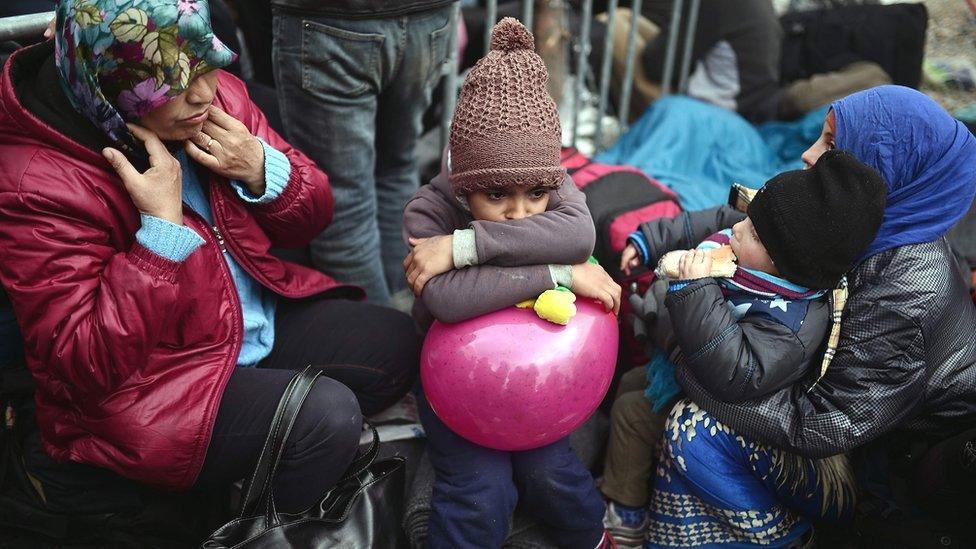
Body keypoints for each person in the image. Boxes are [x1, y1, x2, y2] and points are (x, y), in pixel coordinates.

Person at [0, 0, 418, 514]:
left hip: (241, 329)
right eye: (174, 82)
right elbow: (84, 364)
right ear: (109, 83)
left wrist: (263, 170)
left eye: (205, 63)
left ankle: (245, 470)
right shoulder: (36, 183)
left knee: (397, 343)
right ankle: (239, 523)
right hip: (155, 386)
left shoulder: (215, 98)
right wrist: (158, 236)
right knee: (326, 419)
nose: (203, 93)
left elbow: (315, 215)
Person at [630, 85, 976, 547]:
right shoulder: (869, 226)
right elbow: (752, 223)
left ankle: (788, 537)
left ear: (887, 168)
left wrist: (692, 362)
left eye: (831, 144)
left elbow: (821, 425)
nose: (810, 155)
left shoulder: (905, 293)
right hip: (835, 422)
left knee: (695, 427)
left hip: (878, 472)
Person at [402, 19, 621, 549]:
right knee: (480, 487)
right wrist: (561, 272)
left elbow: (578, 232)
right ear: (464, 183)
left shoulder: (542, 175)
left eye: (535, 195)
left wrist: (467, 248)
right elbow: (447, 298)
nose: (521, 214)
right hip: (454, 389)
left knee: (552, 473)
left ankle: (594, 539)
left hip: (540, 377)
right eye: (496, 195)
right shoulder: (428, 211)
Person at [600, 151, 887, 547]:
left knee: (632, 413)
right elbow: (716, 220)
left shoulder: (791, 324)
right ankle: (631, 482)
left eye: (752, 232)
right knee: (631, 384)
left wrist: (693, 288)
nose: (739, 229)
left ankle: (627, 518)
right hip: (685, 368)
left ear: (782, 264)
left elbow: (736, 372)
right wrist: (650, 240)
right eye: (749, 218)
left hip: (730, 407)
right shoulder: (750, 242)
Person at [271, 0, 455, 306]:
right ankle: (408, 315)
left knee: (343, 203)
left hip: (332, 21)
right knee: (397, 167)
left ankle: (384, 336)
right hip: (428, 16)